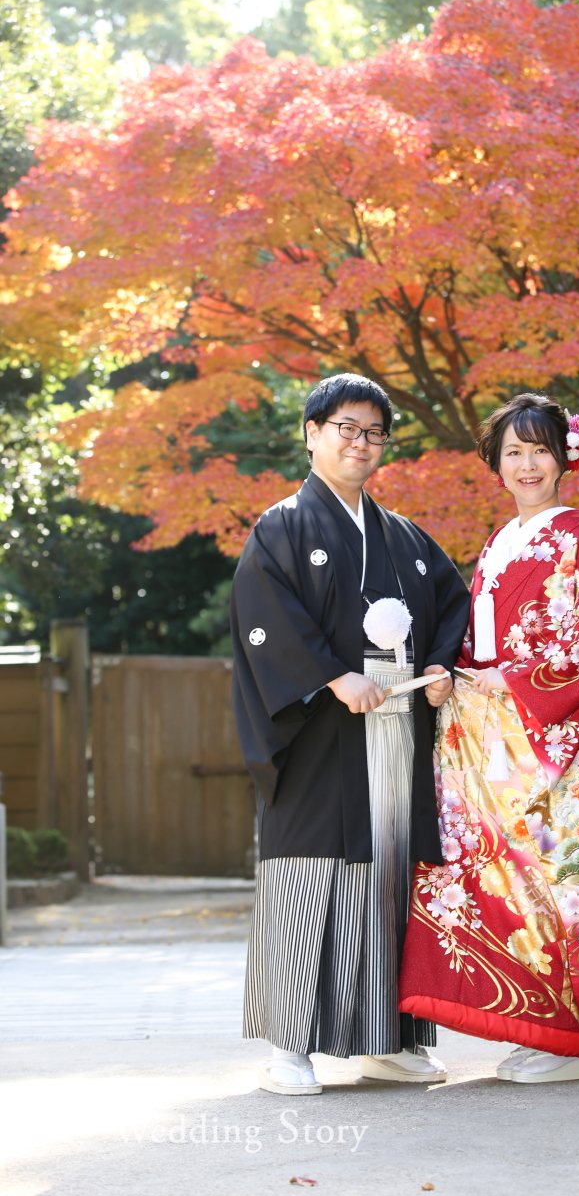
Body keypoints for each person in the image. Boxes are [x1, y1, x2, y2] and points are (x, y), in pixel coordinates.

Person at [399, 393, 579, 1083]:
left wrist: (519, 679)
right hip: (498, 741)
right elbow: (477, 636)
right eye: (512, 452)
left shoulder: (575, 535)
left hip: (556, 742)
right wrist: (451, 673)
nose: (526, 465)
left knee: (561, 884)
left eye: (539, 450)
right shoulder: (503, 540)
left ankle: (576, 1037)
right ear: (496, 463)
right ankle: (542, 1026)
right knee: (509, 883)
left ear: (564, 457)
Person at [231, 373, 471, 1096]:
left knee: (389, 879)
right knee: (308, 877)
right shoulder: (281, 527)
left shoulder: (406, 539)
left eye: (373, 432)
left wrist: (436, 666)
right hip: (317, 734)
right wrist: (334, 677)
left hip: (395, 728)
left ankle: (386, 1041)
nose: (360, 443)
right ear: (311, 433)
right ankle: (288, 1047)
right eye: (345, 428)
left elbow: (453, 604)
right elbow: (263, 618)